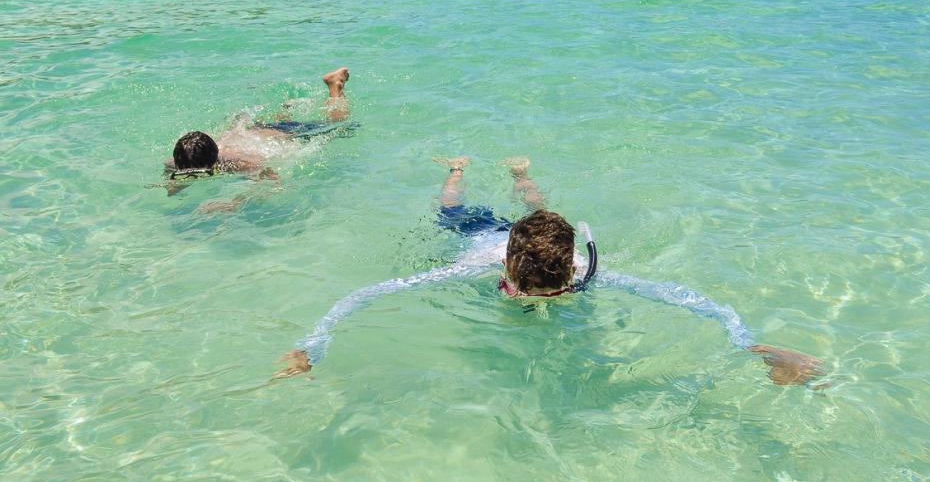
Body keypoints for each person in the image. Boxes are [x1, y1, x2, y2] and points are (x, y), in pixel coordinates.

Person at [275, 158, 826, 387]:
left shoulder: (575, 269)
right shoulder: (496, 260)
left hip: (513, 233)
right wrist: (314, 346)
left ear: (517, 265)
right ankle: (460, 170)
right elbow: (695, 301)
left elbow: (365, 297)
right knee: (451, 208)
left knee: (529, 208)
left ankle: (510, 174)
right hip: (477, 230)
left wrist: (757, 349)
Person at [164, 67, 352, 207]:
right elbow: (171, 184)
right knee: (272, 123)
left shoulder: (238, 163)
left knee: (337, 126)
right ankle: (287, 107)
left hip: (282, 134)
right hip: (254, 131)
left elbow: (274, 182)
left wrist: (234, 203)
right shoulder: (176, 162)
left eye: (200, 174)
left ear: (215, 163)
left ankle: (335, 86)